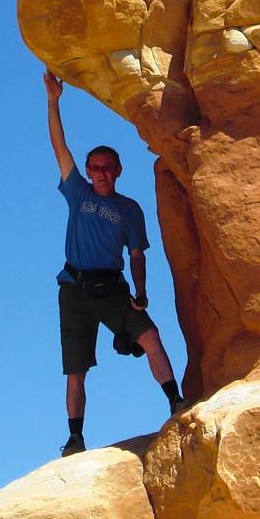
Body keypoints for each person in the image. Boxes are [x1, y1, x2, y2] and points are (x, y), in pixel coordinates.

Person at [44, 70, 182, 456]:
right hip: (74, 289)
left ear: (118, 171)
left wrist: (141, 291)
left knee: (151, 337)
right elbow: (60, 148)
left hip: (114, 289)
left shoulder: (129, 210)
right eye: (95, 168)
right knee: (76, 368)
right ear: (88, 173)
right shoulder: (77, 193)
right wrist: (53, 102)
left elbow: (136, 254)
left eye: (108, 167)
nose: (101, 173)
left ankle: (176, 402)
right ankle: (75, 438)